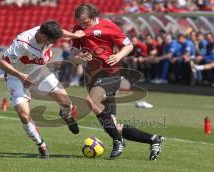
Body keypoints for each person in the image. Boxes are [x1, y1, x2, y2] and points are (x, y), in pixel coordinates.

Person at [70, 3, 164, 160]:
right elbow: (73, 57)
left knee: (91, 102)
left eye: (85, 22)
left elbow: (128, 45)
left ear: (93, 17)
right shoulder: (77, 30)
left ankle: (118, 141)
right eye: (79, 22)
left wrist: (118, 56)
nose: (82, 26)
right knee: (112, 125)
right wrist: (79, 57)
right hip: (91, 77)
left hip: (109, 74)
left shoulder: (108, 25)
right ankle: (153, 139)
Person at [0, 20, 85, 159]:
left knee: (66, 102)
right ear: (43, 37)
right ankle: (41, 144)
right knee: (24, 115)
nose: (53, 43)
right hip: (16, 75)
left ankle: (65, 114)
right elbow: (2, 62)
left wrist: (75, 35)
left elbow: (61, 33)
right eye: (51, 41)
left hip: (39, 71)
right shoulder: (22, 42)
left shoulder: (47, 31)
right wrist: (20, 75)